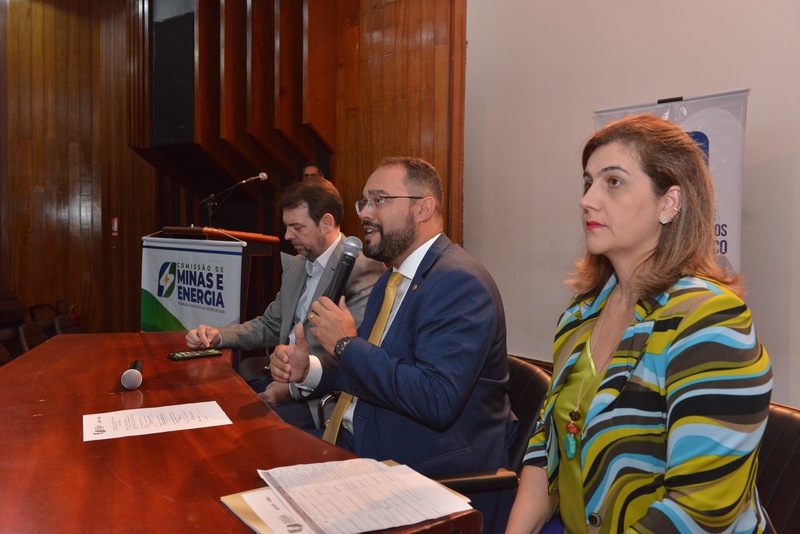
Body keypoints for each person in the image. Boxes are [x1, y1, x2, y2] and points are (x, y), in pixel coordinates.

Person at [506, 115, 773, 533]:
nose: (587, 200)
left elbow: (700, 512)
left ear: (669, 203)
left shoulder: (710, 319)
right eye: (588, 182)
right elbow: (546, 447)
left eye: (613, 182)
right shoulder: (580, 313)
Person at [270, 156, 514, 523]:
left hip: (421, 467)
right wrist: (311, 370)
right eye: (364, 202)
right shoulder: (391, 280)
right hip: (360, 443)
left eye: (379, 200)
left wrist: (345, 344)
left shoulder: (458, 283)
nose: (366, 213)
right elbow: (372, 371)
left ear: (423, 209)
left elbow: (436, 399)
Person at [186, 177, 386, 427]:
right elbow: (270, 324)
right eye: (286, 226)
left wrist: (291, 389)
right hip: (276, 378)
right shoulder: (296, 264)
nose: (287, 235)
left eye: (296, 227)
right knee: (207, 406)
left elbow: (350, 355)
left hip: (315, 399)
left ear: (326, 223)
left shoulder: (362, 269)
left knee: (239, 430)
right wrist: (219, 336)